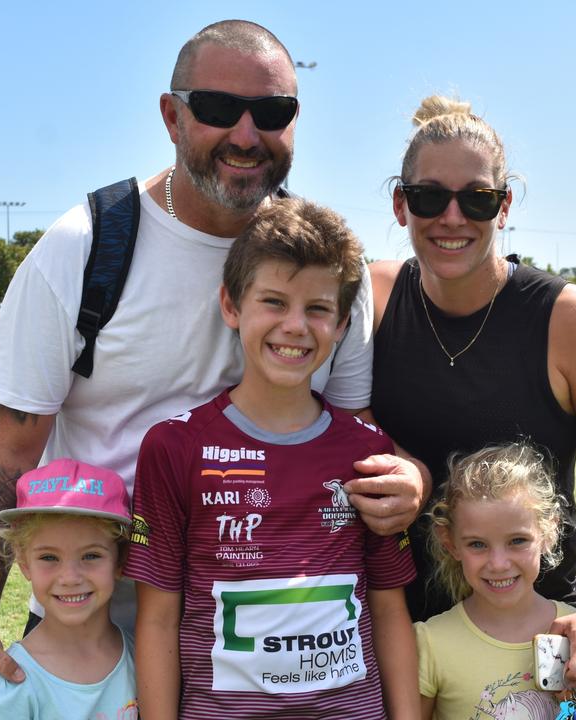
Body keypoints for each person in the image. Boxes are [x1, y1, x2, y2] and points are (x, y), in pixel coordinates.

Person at [0, 20, 424, 720]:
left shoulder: (328, 266)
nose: (244, 133)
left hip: (283, 654)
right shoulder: (85, 248)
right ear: (172, 116)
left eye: (271, 113)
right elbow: (8, 449)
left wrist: (405, 476)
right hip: (93, 634)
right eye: (215, 108)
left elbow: (353, 433)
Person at [369, 96, 576, 700]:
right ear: (400, 204)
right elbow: (328, 413)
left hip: (538, 640)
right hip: (398, 627)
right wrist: (403, 461)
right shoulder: (371, 299)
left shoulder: (574, 322)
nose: (452, 218)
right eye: (428, 198)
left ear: (505, 206)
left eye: (476, 198)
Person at [126, 198, 418, 719]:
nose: (296, 326)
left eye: (318, 309)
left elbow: (389, 608)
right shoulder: (173, 448)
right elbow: (156, 619)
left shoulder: (367, 453)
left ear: (343, 324)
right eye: (274, 302)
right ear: (231, 306)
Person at [416, 444, 576, 720]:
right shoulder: (430, 642)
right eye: (477, 544)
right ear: (450, 543)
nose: (498, 563)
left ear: (548, 531)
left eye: (517, 541)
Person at [0, 459, 137, 719]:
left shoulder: (138, 657)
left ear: (120, 559)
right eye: (49, 558)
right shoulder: (14, 684)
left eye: (91, 556)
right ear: (23, 560)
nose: (70, 578)